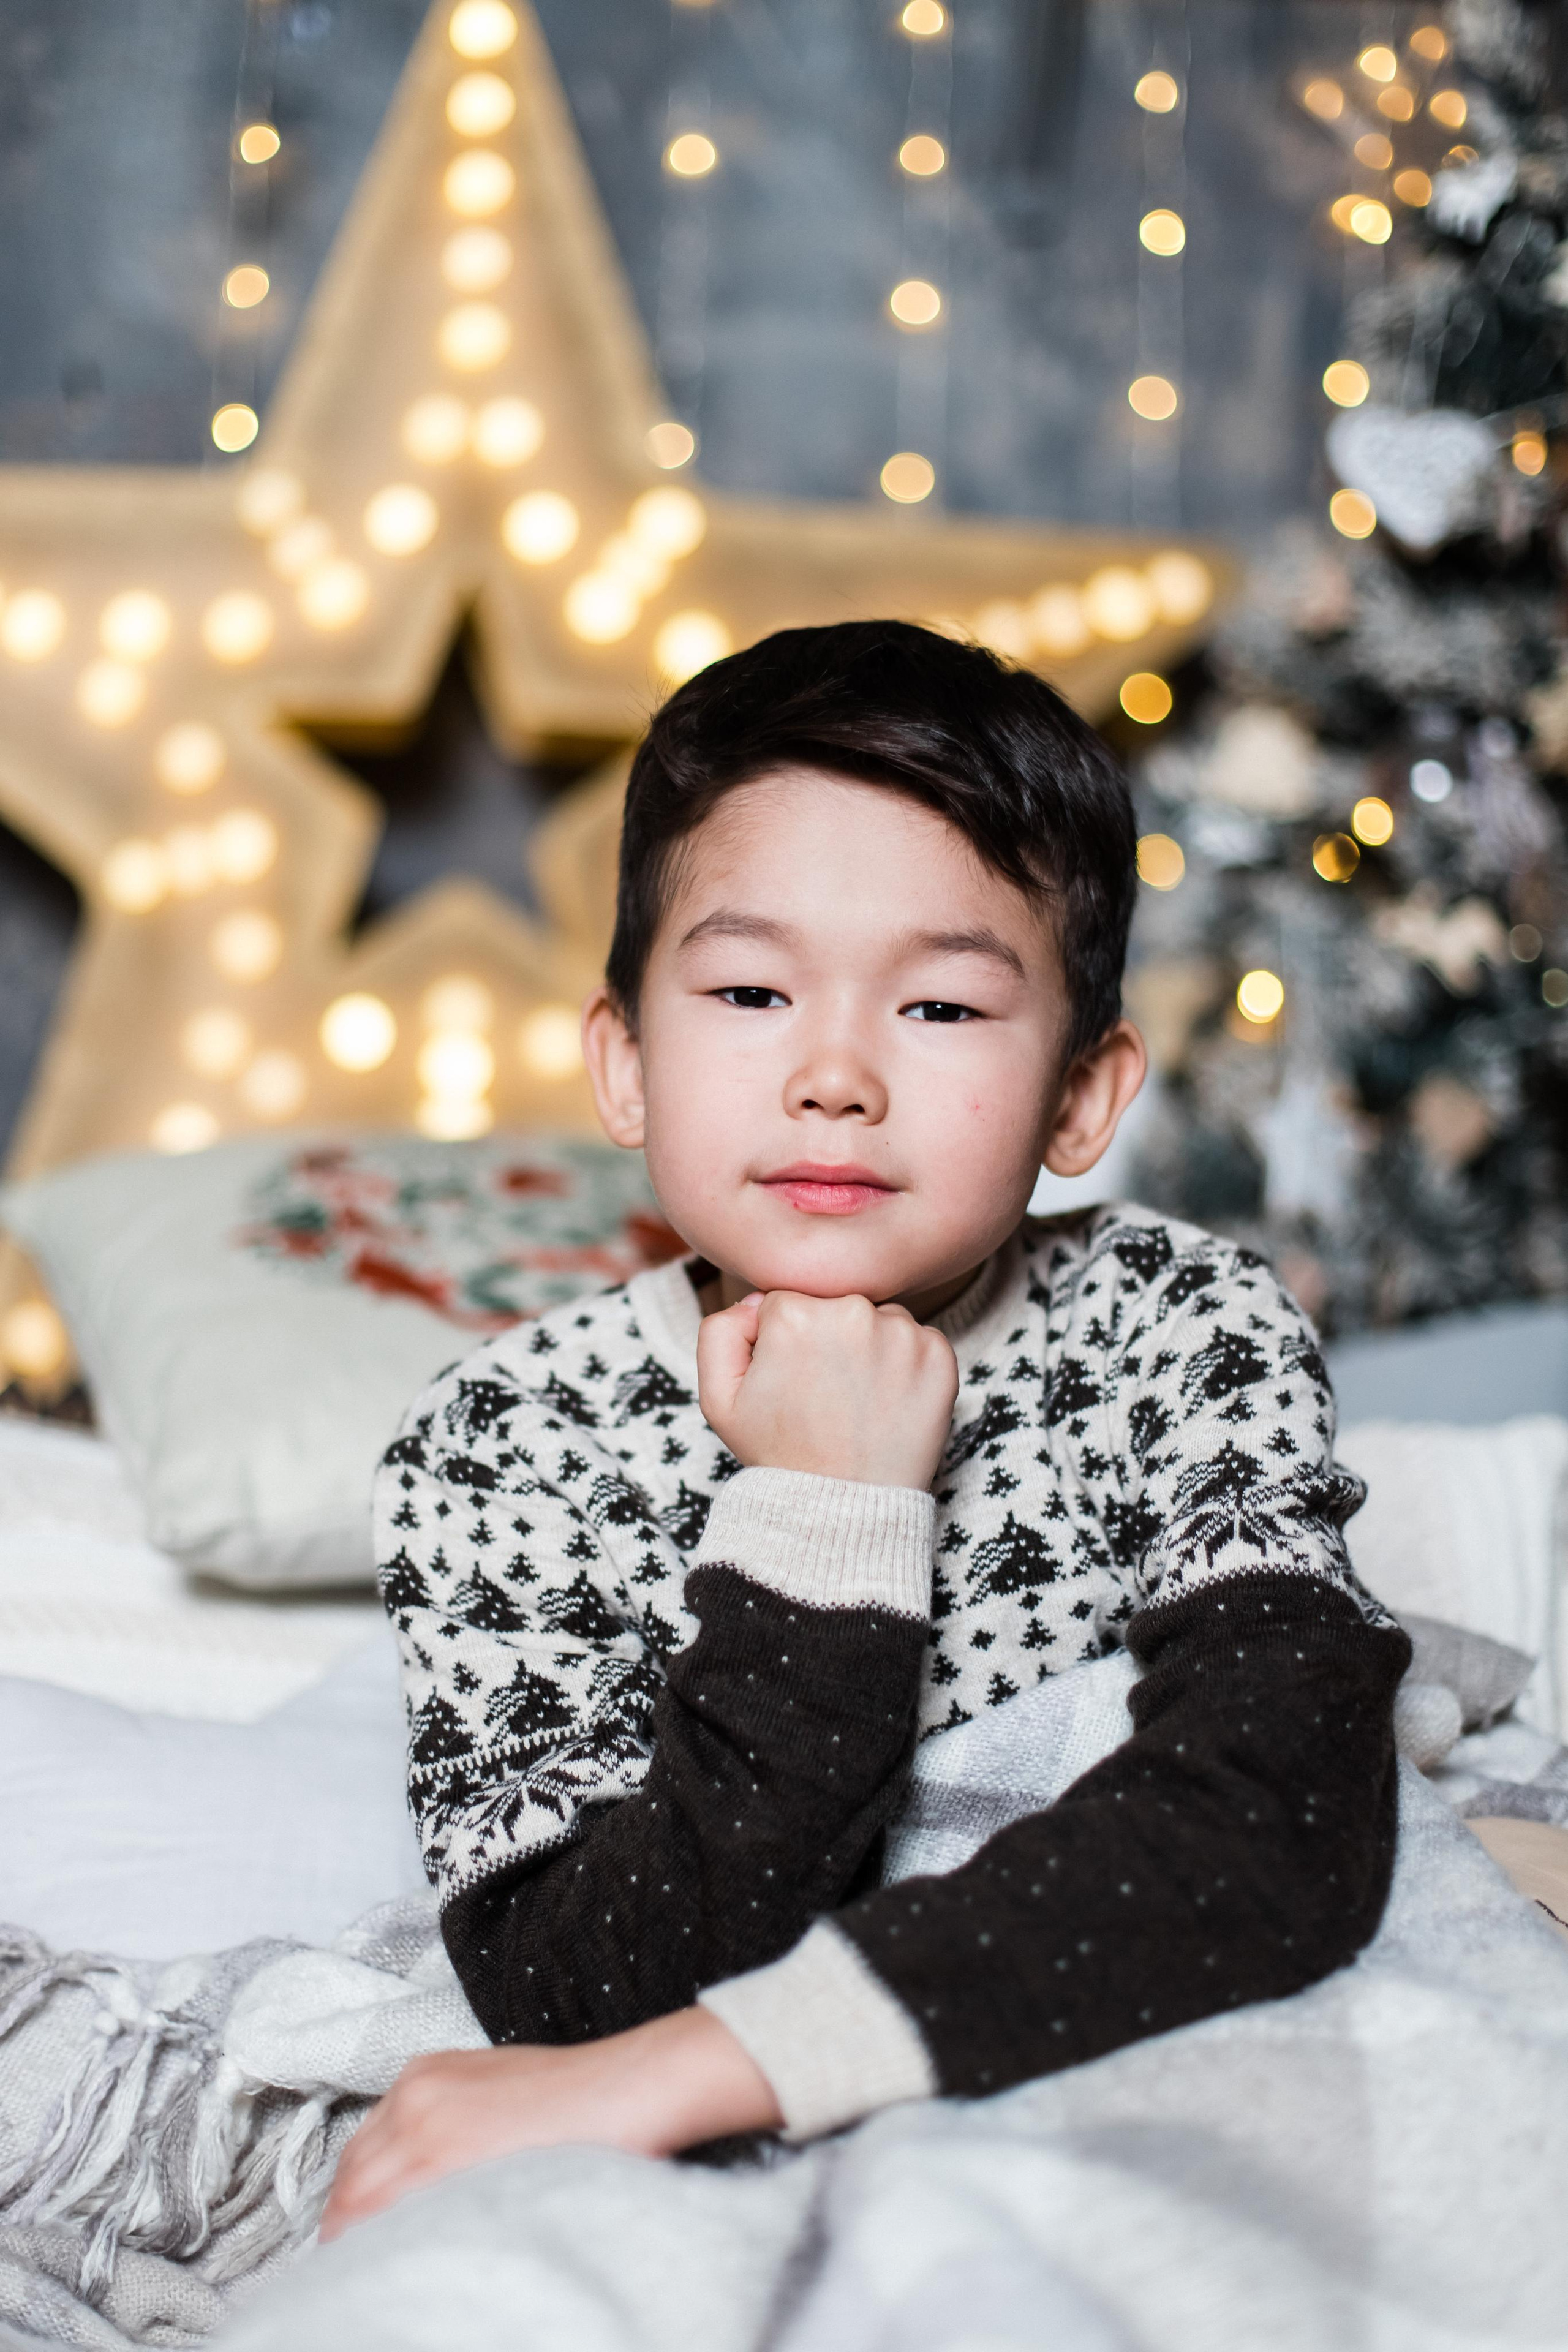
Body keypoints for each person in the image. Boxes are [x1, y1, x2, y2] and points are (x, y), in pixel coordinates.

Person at [320, 619, 1409, 2238]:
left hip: (1082, 2072)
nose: (834, 1075)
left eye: (946, 1011)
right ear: (623, 1062)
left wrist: (698, 2072)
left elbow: (1290, 1815)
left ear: (1083, 1099)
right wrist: (824, 1519)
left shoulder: (1176, 1327)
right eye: (752, 990)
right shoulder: (503, 1444)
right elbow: (574, 1996)